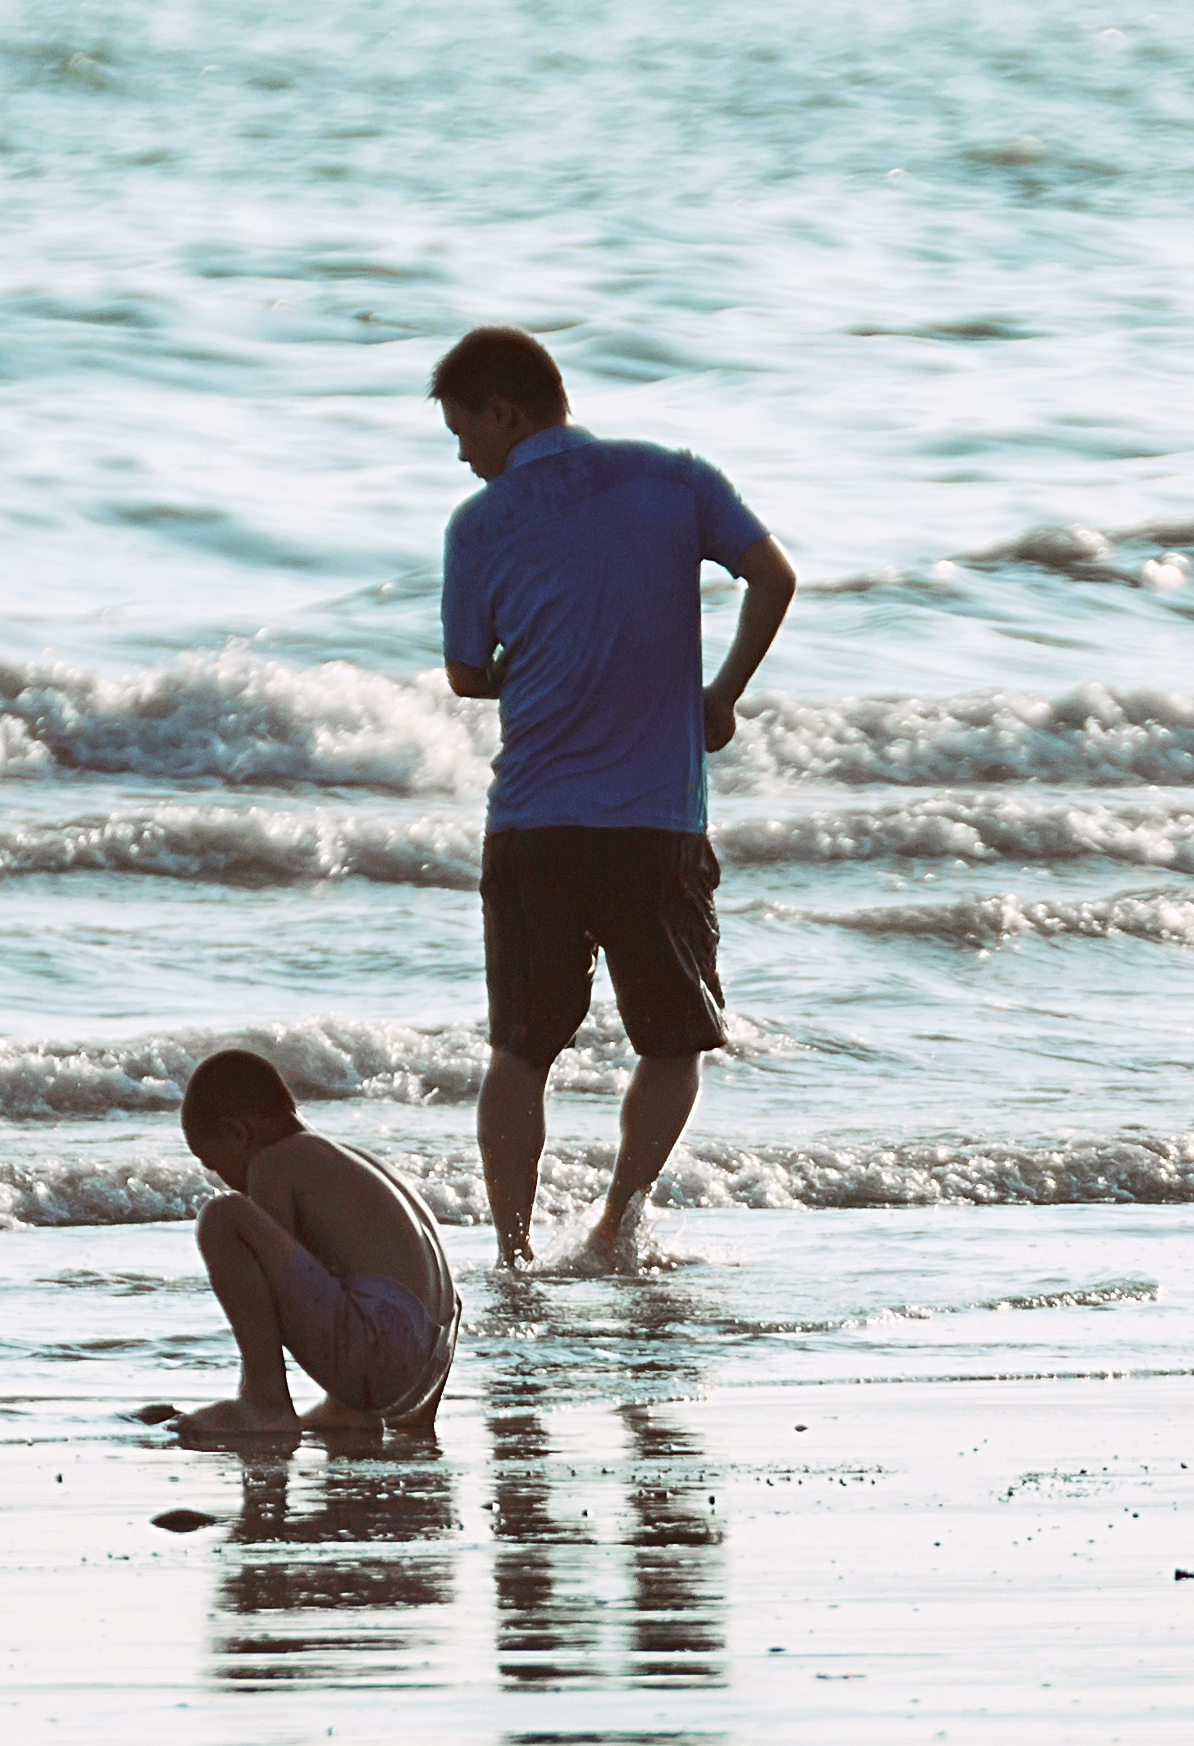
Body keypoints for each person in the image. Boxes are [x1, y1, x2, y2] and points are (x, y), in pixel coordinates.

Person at [430, 322, 795, 1267]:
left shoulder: (481, 523)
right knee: (672, 1043)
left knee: (521, 1049)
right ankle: (615, 1224)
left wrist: (546, 662)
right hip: (655, 821)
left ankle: (513, 1253)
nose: (465, 456)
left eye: (464, 431)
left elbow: (466, 674)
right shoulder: (676, 479)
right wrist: (720, 695)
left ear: (504, 412)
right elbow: (773, 576)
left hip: (535, 823)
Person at [158, 1047, 461, 1444]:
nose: (222, 1178)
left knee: (222, 1217)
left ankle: (264, 1403)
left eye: (215, 1164)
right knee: (348, 1273)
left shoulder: (272, 1163)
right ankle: (347, 1410)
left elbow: (271, 1285)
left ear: (237, 1133)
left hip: (381, 1356)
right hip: (431, 1364)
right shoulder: (352, 1162)